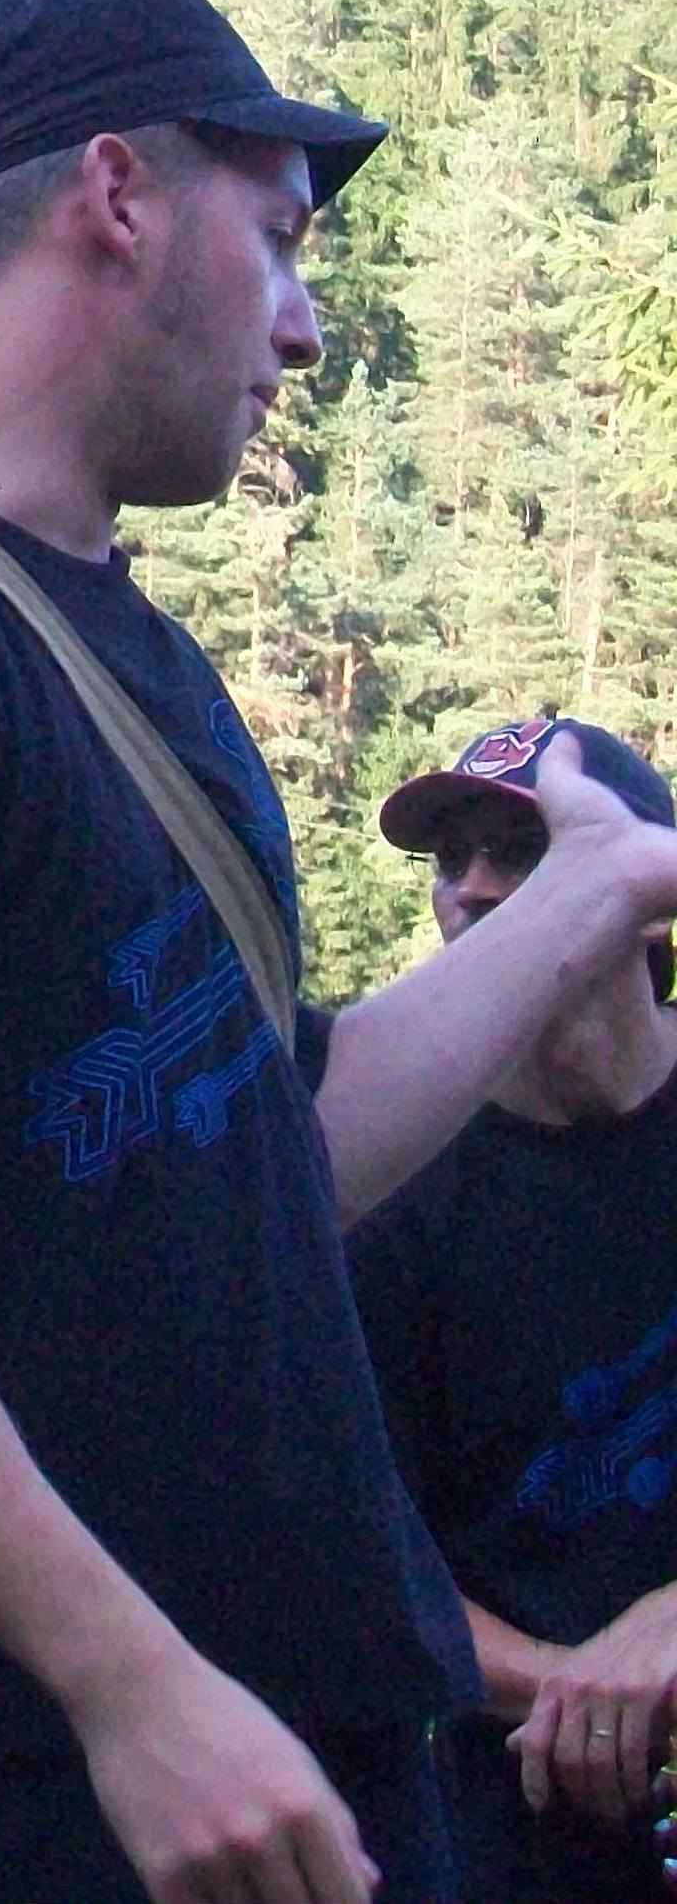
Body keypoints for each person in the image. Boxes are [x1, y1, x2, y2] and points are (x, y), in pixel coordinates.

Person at [0, 0, 677, 1904]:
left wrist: (595, 889)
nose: (299, 326)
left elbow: (274, 1147)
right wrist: (127, 1680)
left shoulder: (117, 651)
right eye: (276, 239)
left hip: (224, 1788)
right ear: (115, 194)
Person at [348, 718, 677, 1901]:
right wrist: (582, 1691)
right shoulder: (384, 1191)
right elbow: (370, 1562)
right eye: (451, 859)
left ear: (651, 902)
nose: (473, 890)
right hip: (510, 1798)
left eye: (522, 851)